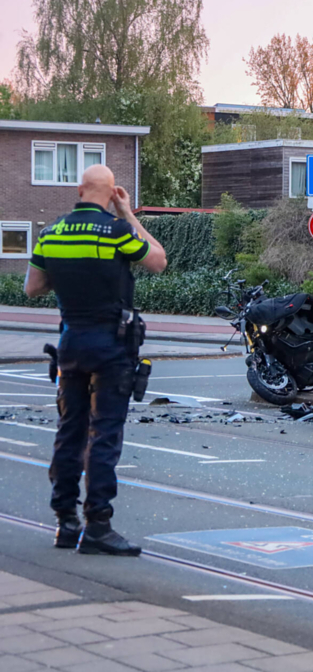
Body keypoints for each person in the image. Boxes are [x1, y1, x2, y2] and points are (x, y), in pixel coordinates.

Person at [24, 165, 167, 556]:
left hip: (70, 343)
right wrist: (128, 213)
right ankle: (98, 526)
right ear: (111, 193)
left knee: (69, 431)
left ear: (79, 188)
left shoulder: (51, 233)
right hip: (110, 346)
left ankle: (65, 522)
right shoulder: (117, 230)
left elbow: (33, 287)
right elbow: (157, 260)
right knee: (103, 434)